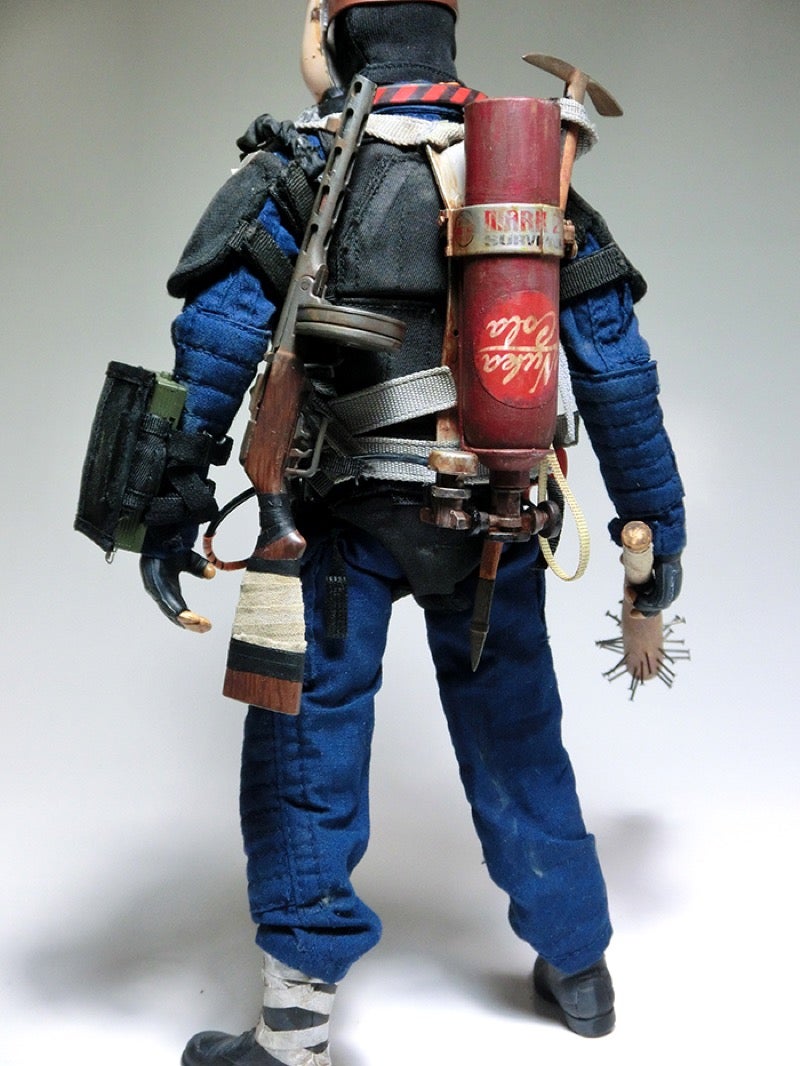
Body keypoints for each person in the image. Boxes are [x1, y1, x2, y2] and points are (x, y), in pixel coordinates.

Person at [137, 2, 685, 1060]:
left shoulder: (298, 166)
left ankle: (294, 1029)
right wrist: (655, 532)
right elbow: (616, 368)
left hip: (336, 523)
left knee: (306, 743)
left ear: (327, 30)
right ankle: (578, 968)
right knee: (517, 736)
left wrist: (165, 505)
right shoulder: (528, 173)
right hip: (495, 520)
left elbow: (214, 341)